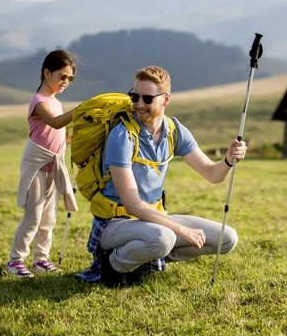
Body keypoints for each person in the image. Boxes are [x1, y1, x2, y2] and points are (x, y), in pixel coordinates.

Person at [76, 66, 244, 286]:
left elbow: (212, 174)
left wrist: (229, 160)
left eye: (147, 98)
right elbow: (133, 204)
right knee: (164, 238)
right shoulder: (122, 136)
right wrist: (182, 230)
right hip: (115, 223)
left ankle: (143, 260)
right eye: (134, 96)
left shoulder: (175, 131)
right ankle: (114, 265)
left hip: (154, 220)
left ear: (166, 100)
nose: (138, 105)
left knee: (227, 238)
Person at [7, 50, 79, 278]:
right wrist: (82, 110)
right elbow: (56, 123)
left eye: (70, 78)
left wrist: (76, 138)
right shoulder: (39, 102)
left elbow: (60, 136)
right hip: (36, 165)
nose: (65, 82)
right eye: (62, 76)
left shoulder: (56, 102)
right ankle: (15, 261)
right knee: (33, 217)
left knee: (49, 217)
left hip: (54, 166)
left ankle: (41, 259)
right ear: (46, 73)